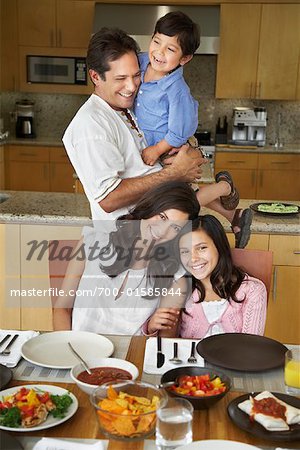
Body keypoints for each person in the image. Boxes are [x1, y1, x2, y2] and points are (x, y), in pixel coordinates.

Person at [134, 11, 253, 248]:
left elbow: (179, 132)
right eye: (157, 41)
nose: (159, 52)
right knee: (182, 198)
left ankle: (224, 187)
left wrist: (157, 150)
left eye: (170, 49)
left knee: (179, 206)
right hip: (153, 153)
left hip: (167, 152)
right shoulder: (141, 61)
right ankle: (234, 217)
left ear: (185, 58)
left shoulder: (176, 90)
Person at [62, 27, 203, 225]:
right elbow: (108, 199)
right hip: (123, 245)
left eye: (136, 75)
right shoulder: (91, 125)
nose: (132, 86)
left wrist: (186, 155)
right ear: (95, 77)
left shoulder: (126, 108)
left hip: (153, 238)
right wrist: (174, 174)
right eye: (120, 79)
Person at [52, 181, 199, 335]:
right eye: (162, 217)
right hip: (76, 351)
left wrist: (150, 329)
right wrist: (68, 350)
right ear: (150, 207)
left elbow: (163, 343)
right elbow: (62, 309)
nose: (162, 231)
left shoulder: (175, 277)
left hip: (131, 358)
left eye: (175, 227)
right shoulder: (93, 242)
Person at [149, 214, 267, 338]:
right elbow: (164, 345)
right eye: (184, 251)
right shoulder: (179, 288)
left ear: (219, 246)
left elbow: (251, 347)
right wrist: (152, 327)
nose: (193, 258)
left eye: (201, 248)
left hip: (236, 358)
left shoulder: (252, 290)